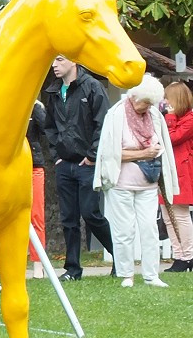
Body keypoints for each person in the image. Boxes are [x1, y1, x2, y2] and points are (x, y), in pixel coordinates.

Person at [93, 76, 177, 288]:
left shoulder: (154, 115)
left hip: (148, 182)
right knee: (123, 230)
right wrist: (143, 152)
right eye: (145, 102)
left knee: (150, 228)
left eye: (151, 103)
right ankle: (126, 274)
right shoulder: (116, 114)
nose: (147, 107)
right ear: (134, 96)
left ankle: (151, 275)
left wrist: (154, 152)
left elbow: (162, 145)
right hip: (121, 183)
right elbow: (110, 153)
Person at [43, 55, 113, 281]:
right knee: (68, 219)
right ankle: (72, 269)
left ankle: (120, 258)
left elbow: (103, 123)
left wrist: (92, 157)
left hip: (87, 164)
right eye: (53, 61)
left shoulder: (92, 87)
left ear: (74, 61)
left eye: (60, 60)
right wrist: (56, 155)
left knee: (90, 214)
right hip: (65, 165)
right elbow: (49, 126)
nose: (54, 65)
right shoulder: (53, 91)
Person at [161, 82, 193, 272]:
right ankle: (179, 254)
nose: (165, 102)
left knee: (180, 215)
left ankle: (188, 255)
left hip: (182, 171)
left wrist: (171, 117)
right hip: (169, 171)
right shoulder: (172, 118)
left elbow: (172, 138)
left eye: (167, 98)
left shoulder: (189, 119)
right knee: (168, 216)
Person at [26, 100, 49, 279]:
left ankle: (38, 264)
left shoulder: (34, 107)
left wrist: (39, 108)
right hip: (11, 168)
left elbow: (49, 130)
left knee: (36, 215)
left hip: (34, 166)